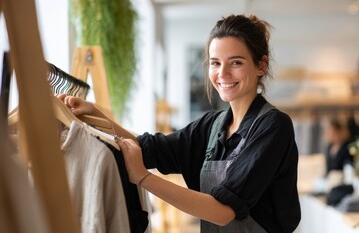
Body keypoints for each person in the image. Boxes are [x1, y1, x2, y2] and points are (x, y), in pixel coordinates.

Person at [58, 14, 301, 233]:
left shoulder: (273, 126)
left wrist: (143, 178)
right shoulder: (212, 126)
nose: (223, 73)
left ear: (261, 65)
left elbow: (222, 211)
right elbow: (149, 149)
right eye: (215, 63)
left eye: (235, 62)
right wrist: (97, 115)